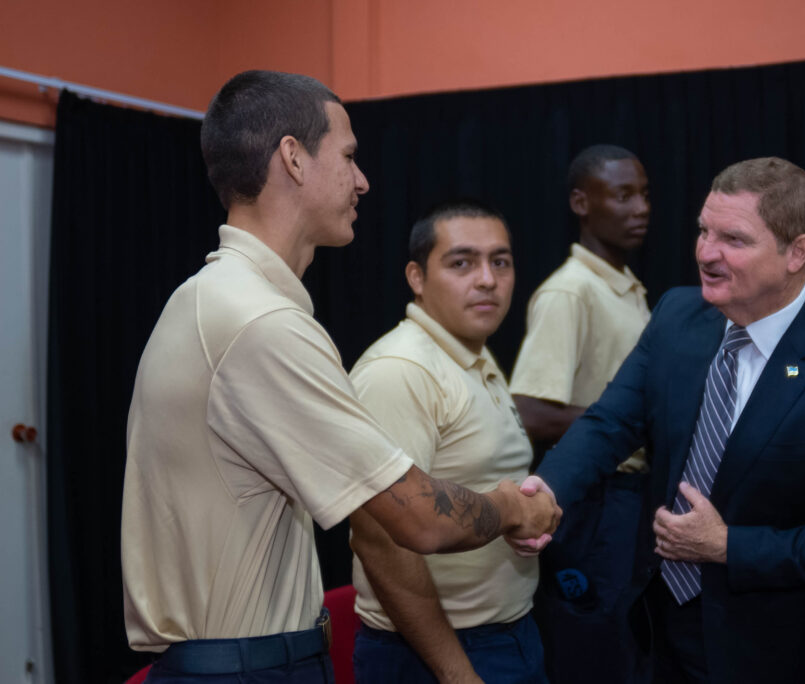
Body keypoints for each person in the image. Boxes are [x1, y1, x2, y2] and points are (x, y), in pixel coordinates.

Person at [121, 71, 559, 684]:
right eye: (349, 156)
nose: (362, 180)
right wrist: (510, 507)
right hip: (246, 670)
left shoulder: (213, 296)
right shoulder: (261, 323)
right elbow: (416, 518)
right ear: (293, 158)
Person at [516, 157, 805, 683]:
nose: (706, 252)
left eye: (734, 239)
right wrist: (545, 492)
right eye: (704, 230)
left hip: (767, 651)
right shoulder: (677, 316)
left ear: (797, 252)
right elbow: (609, 423)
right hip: (656, 626)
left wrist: (729, 546)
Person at [348, 201, 545, 683]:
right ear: (416, 277)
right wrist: (458, 674)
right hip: (435, 653)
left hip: (505, 634)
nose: (487, 280)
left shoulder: (470, 354)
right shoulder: (401, 370)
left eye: (500, 261)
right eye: (462, 263)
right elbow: (379, 542)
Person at [508, 144, 651, 681]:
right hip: (595, 505)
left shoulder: (626, 288)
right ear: (581, 202)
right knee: (592, 652)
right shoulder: (570, 291)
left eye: (645, 194)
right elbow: (528, 412)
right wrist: (634, 422)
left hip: (630, 500)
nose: (641, 208)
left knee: (627, 649)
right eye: (623, 195)